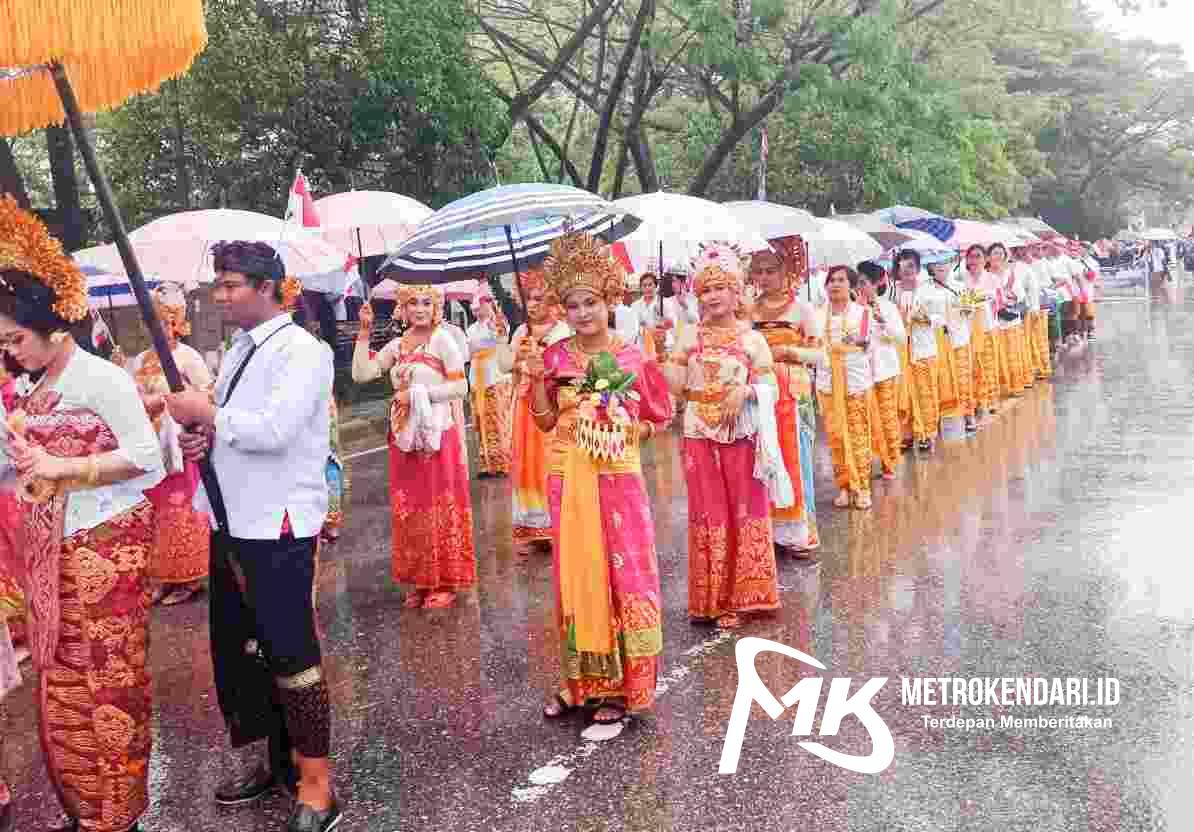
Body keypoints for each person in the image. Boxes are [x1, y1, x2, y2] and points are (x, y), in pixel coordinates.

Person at [0, 197, 165, 832]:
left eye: (17, 340)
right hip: (52, 553)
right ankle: (82, 802)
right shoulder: (33, 389)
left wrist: (68, 469)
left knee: (110, 679)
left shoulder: (102, 380)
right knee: (62, 679)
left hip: (105, 547)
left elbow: (147, 456)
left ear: (52, 327)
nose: (12, 354)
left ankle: (114, 811)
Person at [166, 240, 340, 831]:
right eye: (219, 283)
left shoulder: (303, 351)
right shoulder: (240, 350)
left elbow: (274, 431)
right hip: (230, 516)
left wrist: (207, 413)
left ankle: (317, 784)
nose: (221, 295)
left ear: (268, 287)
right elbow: (234, 431)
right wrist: (203, 437)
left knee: (291, 650)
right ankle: (277, 759)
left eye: (232, 283)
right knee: (244, 648)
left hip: (279, 523)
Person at [527, 231, 672, 726]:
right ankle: (578, 684)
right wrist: (532, 380)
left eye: (591, 302)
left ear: (610, 301)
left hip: (617, 475)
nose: (583, 313)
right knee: (575, 575)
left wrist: (626, 427)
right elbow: (544, 421)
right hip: (567, 474)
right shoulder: (552, 357)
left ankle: (621, 687)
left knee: (622, 573)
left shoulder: (632, 356)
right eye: (572, 305)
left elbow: (660, 416)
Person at [666, 243, 785, 629]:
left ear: (737, 292)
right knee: (708, 512)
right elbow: (675, 388)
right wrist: (668, 363)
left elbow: (773, 388)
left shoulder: (753, 340)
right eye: (705, 290)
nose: (713, 296)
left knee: (743, 509)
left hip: (740, 436)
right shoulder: (688, 337)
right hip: (698, 433)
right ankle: (711, 599)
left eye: (720, 288)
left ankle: (743, 596)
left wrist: (745, 391)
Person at [353, 285, 475, 608]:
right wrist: (364, 332)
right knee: (410, 506)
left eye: (426, 302)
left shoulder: (443, 340)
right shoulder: (396, 346)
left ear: (435, 307)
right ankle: (421, 580)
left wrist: (419, 395)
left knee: (438, 501)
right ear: (402, 310)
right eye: (412, 303)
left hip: (436, 433)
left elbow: (462, 386)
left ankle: (445, 580)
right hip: (404, 434)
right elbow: (361, 373)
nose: (419, 309)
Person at [126, 284, 214, 605]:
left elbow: (207, 393)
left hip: (179, 445)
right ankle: (163, 576)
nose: (156, 329)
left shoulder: (188, 357)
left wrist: (176, 402)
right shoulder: (139, 360)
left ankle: (189, 576)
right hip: (152, 446)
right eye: (150, 323)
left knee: (182, 506)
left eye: (162, 321)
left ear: (175, 322)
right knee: (156, 510)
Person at [749, 238, 820, 555]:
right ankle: (769, 531)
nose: (764, 278)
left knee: (796, 460)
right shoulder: (748, 310)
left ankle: (799, 534)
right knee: (763, 459)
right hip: (760, 394)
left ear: (786, 270)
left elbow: (820, 354)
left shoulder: (801, 308)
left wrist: (789, 351)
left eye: (771, 271)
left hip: (792, 390)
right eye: (759, 271)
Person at [500, 270, 571, 554]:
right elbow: (504, 364)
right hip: (524, 405)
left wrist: (532, 363)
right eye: (528, 299)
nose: (532, 305)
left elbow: (560, 368)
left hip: (549, 405)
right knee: (526, 462)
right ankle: (532, 528)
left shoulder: (561, 331)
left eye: (539, 299)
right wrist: (511, 350)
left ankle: (555, 526)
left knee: (548, 461)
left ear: (553, 303)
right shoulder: (521, 331)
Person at [813, 266, 877, 509]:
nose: (835, 284)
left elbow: (870, 348)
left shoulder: (863, 313)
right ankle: (843, 486)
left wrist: (860, 342)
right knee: (836, 436)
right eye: (831, 280)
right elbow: (814, 347)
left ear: (851, 285)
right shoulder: (817, 314)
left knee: (858, 434)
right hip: (828, 382)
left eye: (841, 280)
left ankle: (862, 487)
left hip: (855, 381)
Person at [856, 262, 905, 475]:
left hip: (885, 370)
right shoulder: (854, 308)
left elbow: (901, 338)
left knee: (886, 417)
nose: (860, 287)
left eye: (864, 283)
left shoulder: (887, 307)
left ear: (876, 284)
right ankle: (865, 463)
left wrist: (882, 321)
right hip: (861, 373)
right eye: (857, 283)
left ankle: (890, 462)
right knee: (863, 419)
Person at [891, 250, 942, 451]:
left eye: (911, 266)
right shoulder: (892, 291)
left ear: (918, 268)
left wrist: (927, 319)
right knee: (904, 393)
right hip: (901, 350)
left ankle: (927, 433)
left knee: (925, 393)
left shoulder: (928, 289)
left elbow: (941, 318)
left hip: (924, 349)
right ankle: (907, 434)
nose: (906, 271)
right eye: (902, 267)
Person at [465, 283, 514, 478]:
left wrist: (497, 321)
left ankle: (503, 461)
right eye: (475, 309)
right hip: (478, 376)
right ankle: (486, 463)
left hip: (495, 375)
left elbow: (501, 337)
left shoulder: (498, 322)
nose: (478, 312)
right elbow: (468, 351)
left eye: (481, 307)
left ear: (489, 305)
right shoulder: (471, 329)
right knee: (481, 420)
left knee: (498, 419)